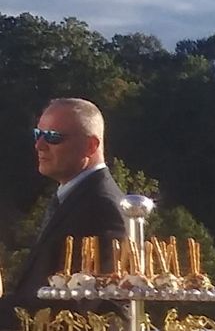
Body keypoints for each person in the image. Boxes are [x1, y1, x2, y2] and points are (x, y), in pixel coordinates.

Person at [7, 99, 127, 308]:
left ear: (90, 146)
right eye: (38, 134)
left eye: (53, 137)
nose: (39, 145)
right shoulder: (70, 198)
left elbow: (88, 304)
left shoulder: (102, 208)